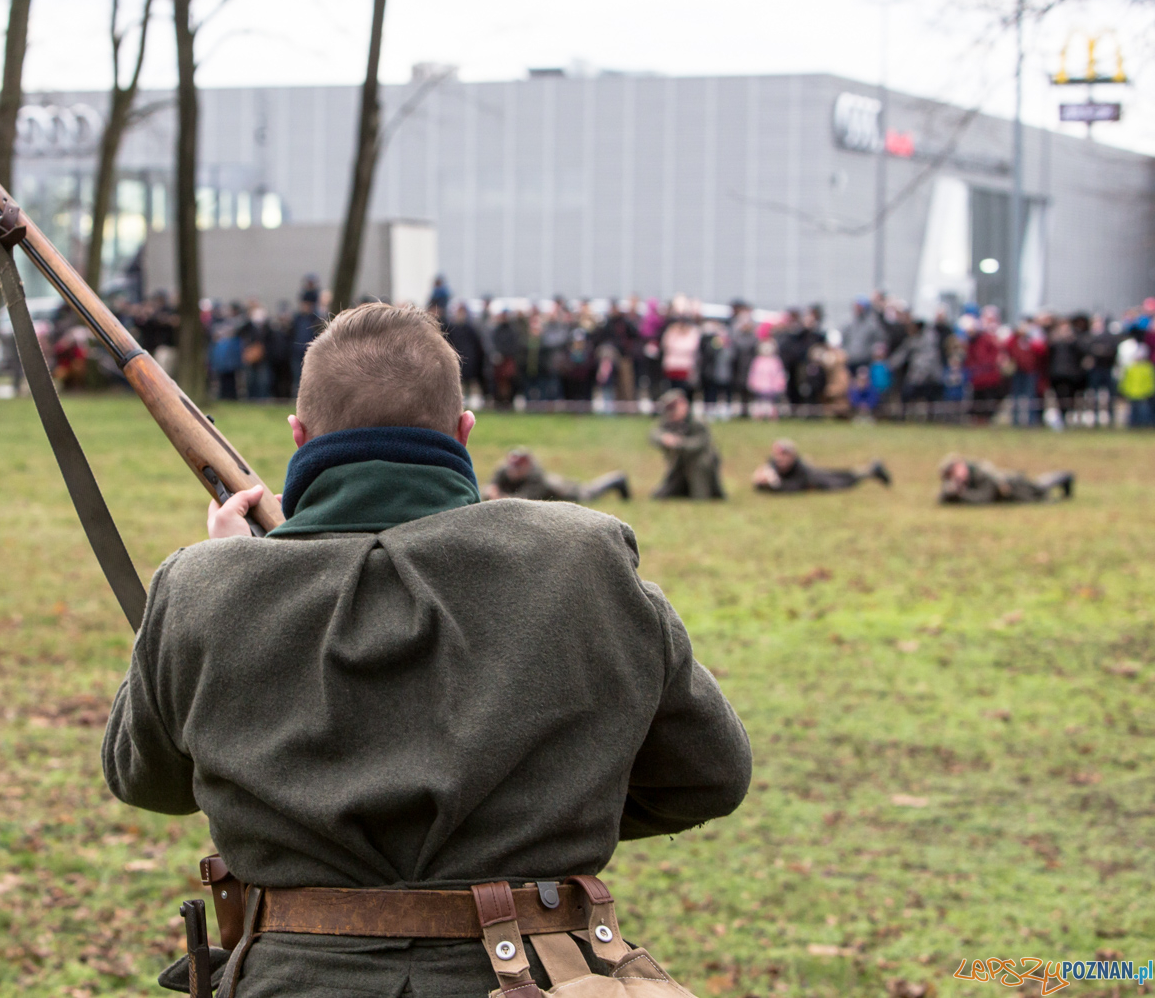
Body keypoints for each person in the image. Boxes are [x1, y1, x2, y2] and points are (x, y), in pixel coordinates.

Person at [102, 303, 750, 998]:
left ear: (299, 437)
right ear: (464, 433)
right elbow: (709, 772)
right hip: (537, 974)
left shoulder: (203, 584)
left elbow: (147, 777)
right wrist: (542, 808)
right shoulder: (585, 557)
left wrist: (233, 579)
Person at [648, 388, 725, 499]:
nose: (672, 411)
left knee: (700, 497)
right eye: (669, 407)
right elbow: (653, 434)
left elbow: (701, 443)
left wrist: (678, 443)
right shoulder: (669, 421)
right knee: (659, 496)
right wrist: (664, 438)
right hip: (679, 466)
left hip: (699, 464)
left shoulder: (697, 422)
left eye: (674, 406)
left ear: (683, 404)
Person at [485, 447, 630, 502]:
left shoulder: (537, 479)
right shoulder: (503, 470)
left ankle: (618, 479)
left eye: (518, 467)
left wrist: (497, 496)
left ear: (527, 466)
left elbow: (520, 502)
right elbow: (488, 488)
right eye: (512, 466)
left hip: (568, 493)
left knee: (589, 492)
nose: (513, 470)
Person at [752, 439, 890, 493]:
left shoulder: (800, 469)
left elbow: (795, 487)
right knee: (841, 478)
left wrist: (775, 484)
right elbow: (757, 479)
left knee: (841, 480)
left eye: (785, 455)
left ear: (792, 456)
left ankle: (871, 470)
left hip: (815, 479)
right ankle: (870, 470)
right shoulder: (771, 466)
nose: (780, 459)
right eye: (778, 455)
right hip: (813, 480)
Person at [938, 455, 1074, 505]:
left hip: (1015, 486)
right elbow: (942, 496)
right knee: (1039, 490)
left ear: (961, 464)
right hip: (1012, 488)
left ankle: (1065, 477)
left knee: (1040, 489)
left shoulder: (983, 474)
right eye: (949, 475)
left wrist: (961, 495)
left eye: (955, 471)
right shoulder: (967, 478)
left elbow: (984, 498)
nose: (955, 476)